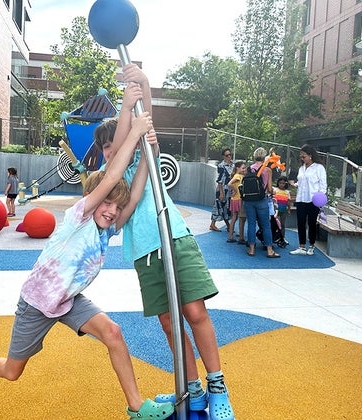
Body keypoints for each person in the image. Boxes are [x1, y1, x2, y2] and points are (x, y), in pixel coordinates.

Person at [0, 111, 176, 420]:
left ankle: (136, 407)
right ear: (93, 197)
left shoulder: (107, 229)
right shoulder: (80, 216)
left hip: (69, 300)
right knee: (12, 371)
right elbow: (112, 177)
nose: (112, 210)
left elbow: (135, 194)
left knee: (113, 333)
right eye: (107, 202)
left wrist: (147, 156)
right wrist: (135, 131)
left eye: (116, 207)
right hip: (36, 302)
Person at [99, 63, 234, 419]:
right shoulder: (113, 180)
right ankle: (192, 389)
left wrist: (140, 85)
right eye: (106, 150)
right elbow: (123, 150)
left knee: (193, 311)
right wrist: (126, 110)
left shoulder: (147, 154)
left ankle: (217, 385)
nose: (110, 153)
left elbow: (139, 129)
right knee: (169, 322)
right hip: (145, 252)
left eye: (114, 146)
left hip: (173, 237)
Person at [289, 144, 327, 256]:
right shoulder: (301, 168)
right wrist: (295, 184)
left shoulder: (319, 168)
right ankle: (301, 246)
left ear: (310, 155)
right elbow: (301, 182)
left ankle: (311, 245)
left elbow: (323, 184)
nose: (302, 158)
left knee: (312, 223)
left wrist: (320, 198)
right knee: (300, 222)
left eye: (304, 156)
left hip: (313, 199)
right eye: (301, 156)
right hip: (301, 198)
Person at [244, 147, 280, 258]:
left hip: (249, 200)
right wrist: (273, 191)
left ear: (254, 157)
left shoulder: (248, 169)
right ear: (264, 157)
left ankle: (251, 249)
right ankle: (269, 250)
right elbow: (269, 189)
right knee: (266, 225)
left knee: (251, 224)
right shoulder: (267, 170)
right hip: (261, 200)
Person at [209, 148, 233, 232]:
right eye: (227, 155)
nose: (229, 156)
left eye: (230, 154)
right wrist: (221, 193)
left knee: (226, 207)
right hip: (222, 189)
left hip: (230, 190)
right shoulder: (221, 166)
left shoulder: (233, 165)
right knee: (219, 205)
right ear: (224, 156)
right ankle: (213, 224)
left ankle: (228, 225)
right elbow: (219, 180)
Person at [226, 161, 247, 243]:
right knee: (241, 218)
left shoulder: (238, 175)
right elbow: (229, 184)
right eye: (243, 168)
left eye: (245, 168)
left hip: (234, 199)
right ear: (238, 168)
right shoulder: (238, 176)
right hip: (239, 199)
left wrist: (234, 190)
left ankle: (231, 236)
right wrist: (235, 190)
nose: (244, 169)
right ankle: (240, 236)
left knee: (234, 217)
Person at [273, 176, 291, 246]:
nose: (281, 185)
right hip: (276, 210)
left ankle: (282, 238)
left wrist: (289, 210)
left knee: (283, 224)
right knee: (275, 224)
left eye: (283, 183)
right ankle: (274, 236)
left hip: (283, 210)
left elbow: (288, 202)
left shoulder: (287, 192)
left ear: (285, 184)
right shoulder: (275, 190)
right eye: (280, 183)